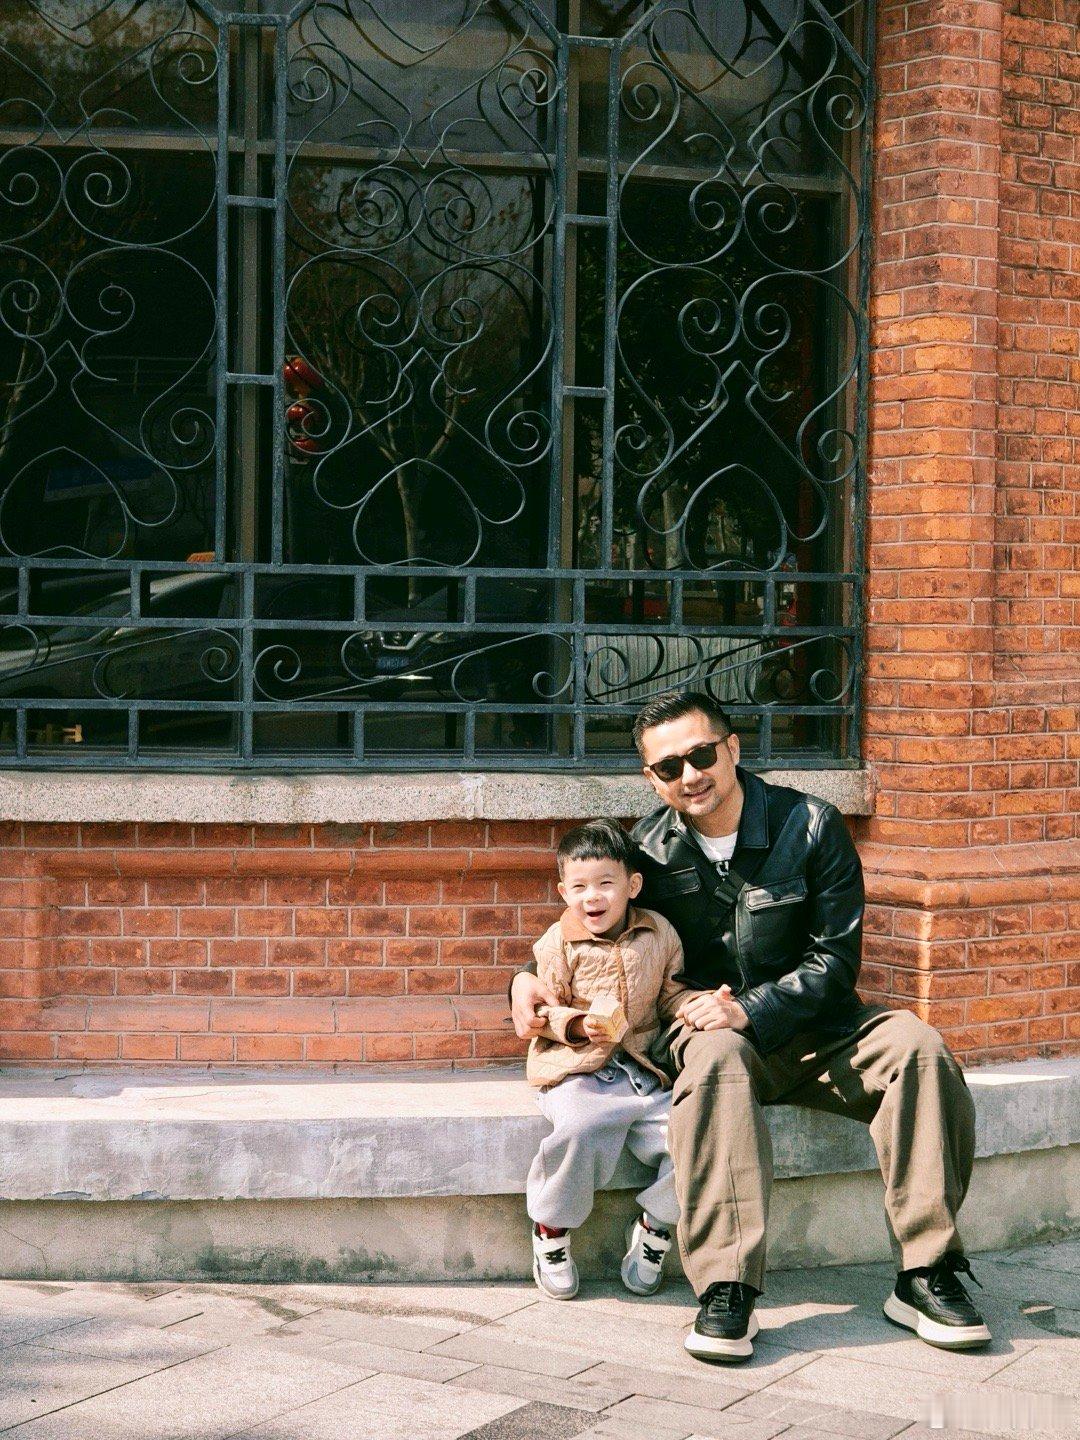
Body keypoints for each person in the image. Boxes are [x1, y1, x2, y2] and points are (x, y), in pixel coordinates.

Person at [511, 691, 990, 1361]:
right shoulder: (646, 848)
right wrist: (523, 978)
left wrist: (751, 1007)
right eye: (668, 767)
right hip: (711, 1034)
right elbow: (590, 918)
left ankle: (926, 1273)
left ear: (732, 748)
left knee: (918, 1046)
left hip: (817, 1027)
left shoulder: (811, 825)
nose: (689, 776)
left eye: (701, 755)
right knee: (716, 1059)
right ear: (652, 778)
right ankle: (727, 1286)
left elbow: (836, 961)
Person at [525, 819, 689, 1301]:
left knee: (695, 1139)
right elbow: (542, 1011)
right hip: (577, 1069)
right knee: (578, 1129)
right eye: (578, 887)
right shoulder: (557, 942)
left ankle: (655, 1226)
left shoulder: (659, 933)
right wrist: (577, 1025)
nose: (591, 897)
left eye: (605, 884)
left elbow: (671, 997)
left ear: (632, 885)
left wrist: (696, 1006)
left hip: (644, 1071)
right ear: (563, 891)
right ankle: (551, 1230)